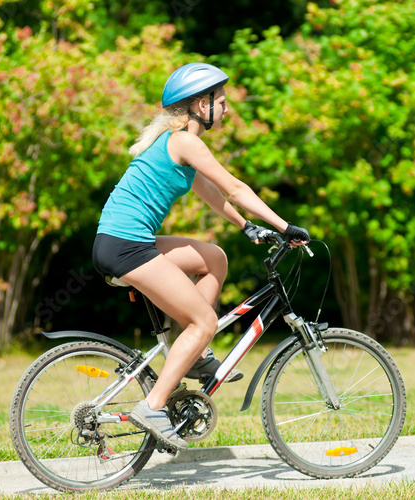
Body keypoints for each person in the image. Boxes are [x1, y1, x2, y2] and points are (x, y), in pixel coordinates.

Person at [92, 62, 310, 451]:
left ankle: (194, 352)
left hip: (123, 240)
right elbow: (236, 188)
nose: (227, 110)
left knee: (215, 259)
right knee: (205, 320)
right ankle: (154, 405)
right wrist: (283, 226)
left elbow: (212, 193)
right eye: (221, 102)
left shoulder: (177, 145)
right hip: (126, 245)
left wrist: (245, 227)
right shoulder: (186, 142)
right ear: (199, 104)